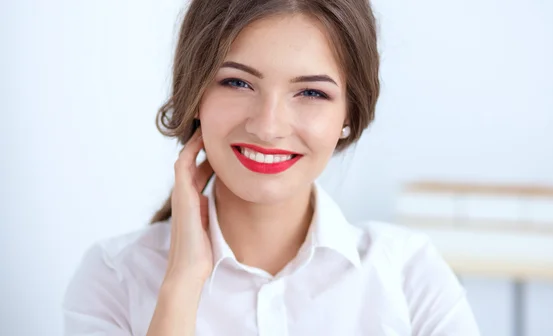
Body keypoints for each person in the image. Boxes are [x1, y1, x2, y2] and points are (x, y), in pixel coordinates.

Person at [63, 0, 480, 335]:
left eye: (312, 92)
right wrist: (181, 284)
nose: (268, 126)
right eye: (238, 82)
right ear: (196, 95)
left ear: (349, 114)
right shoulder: (115, 276)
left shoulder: (409, 275)